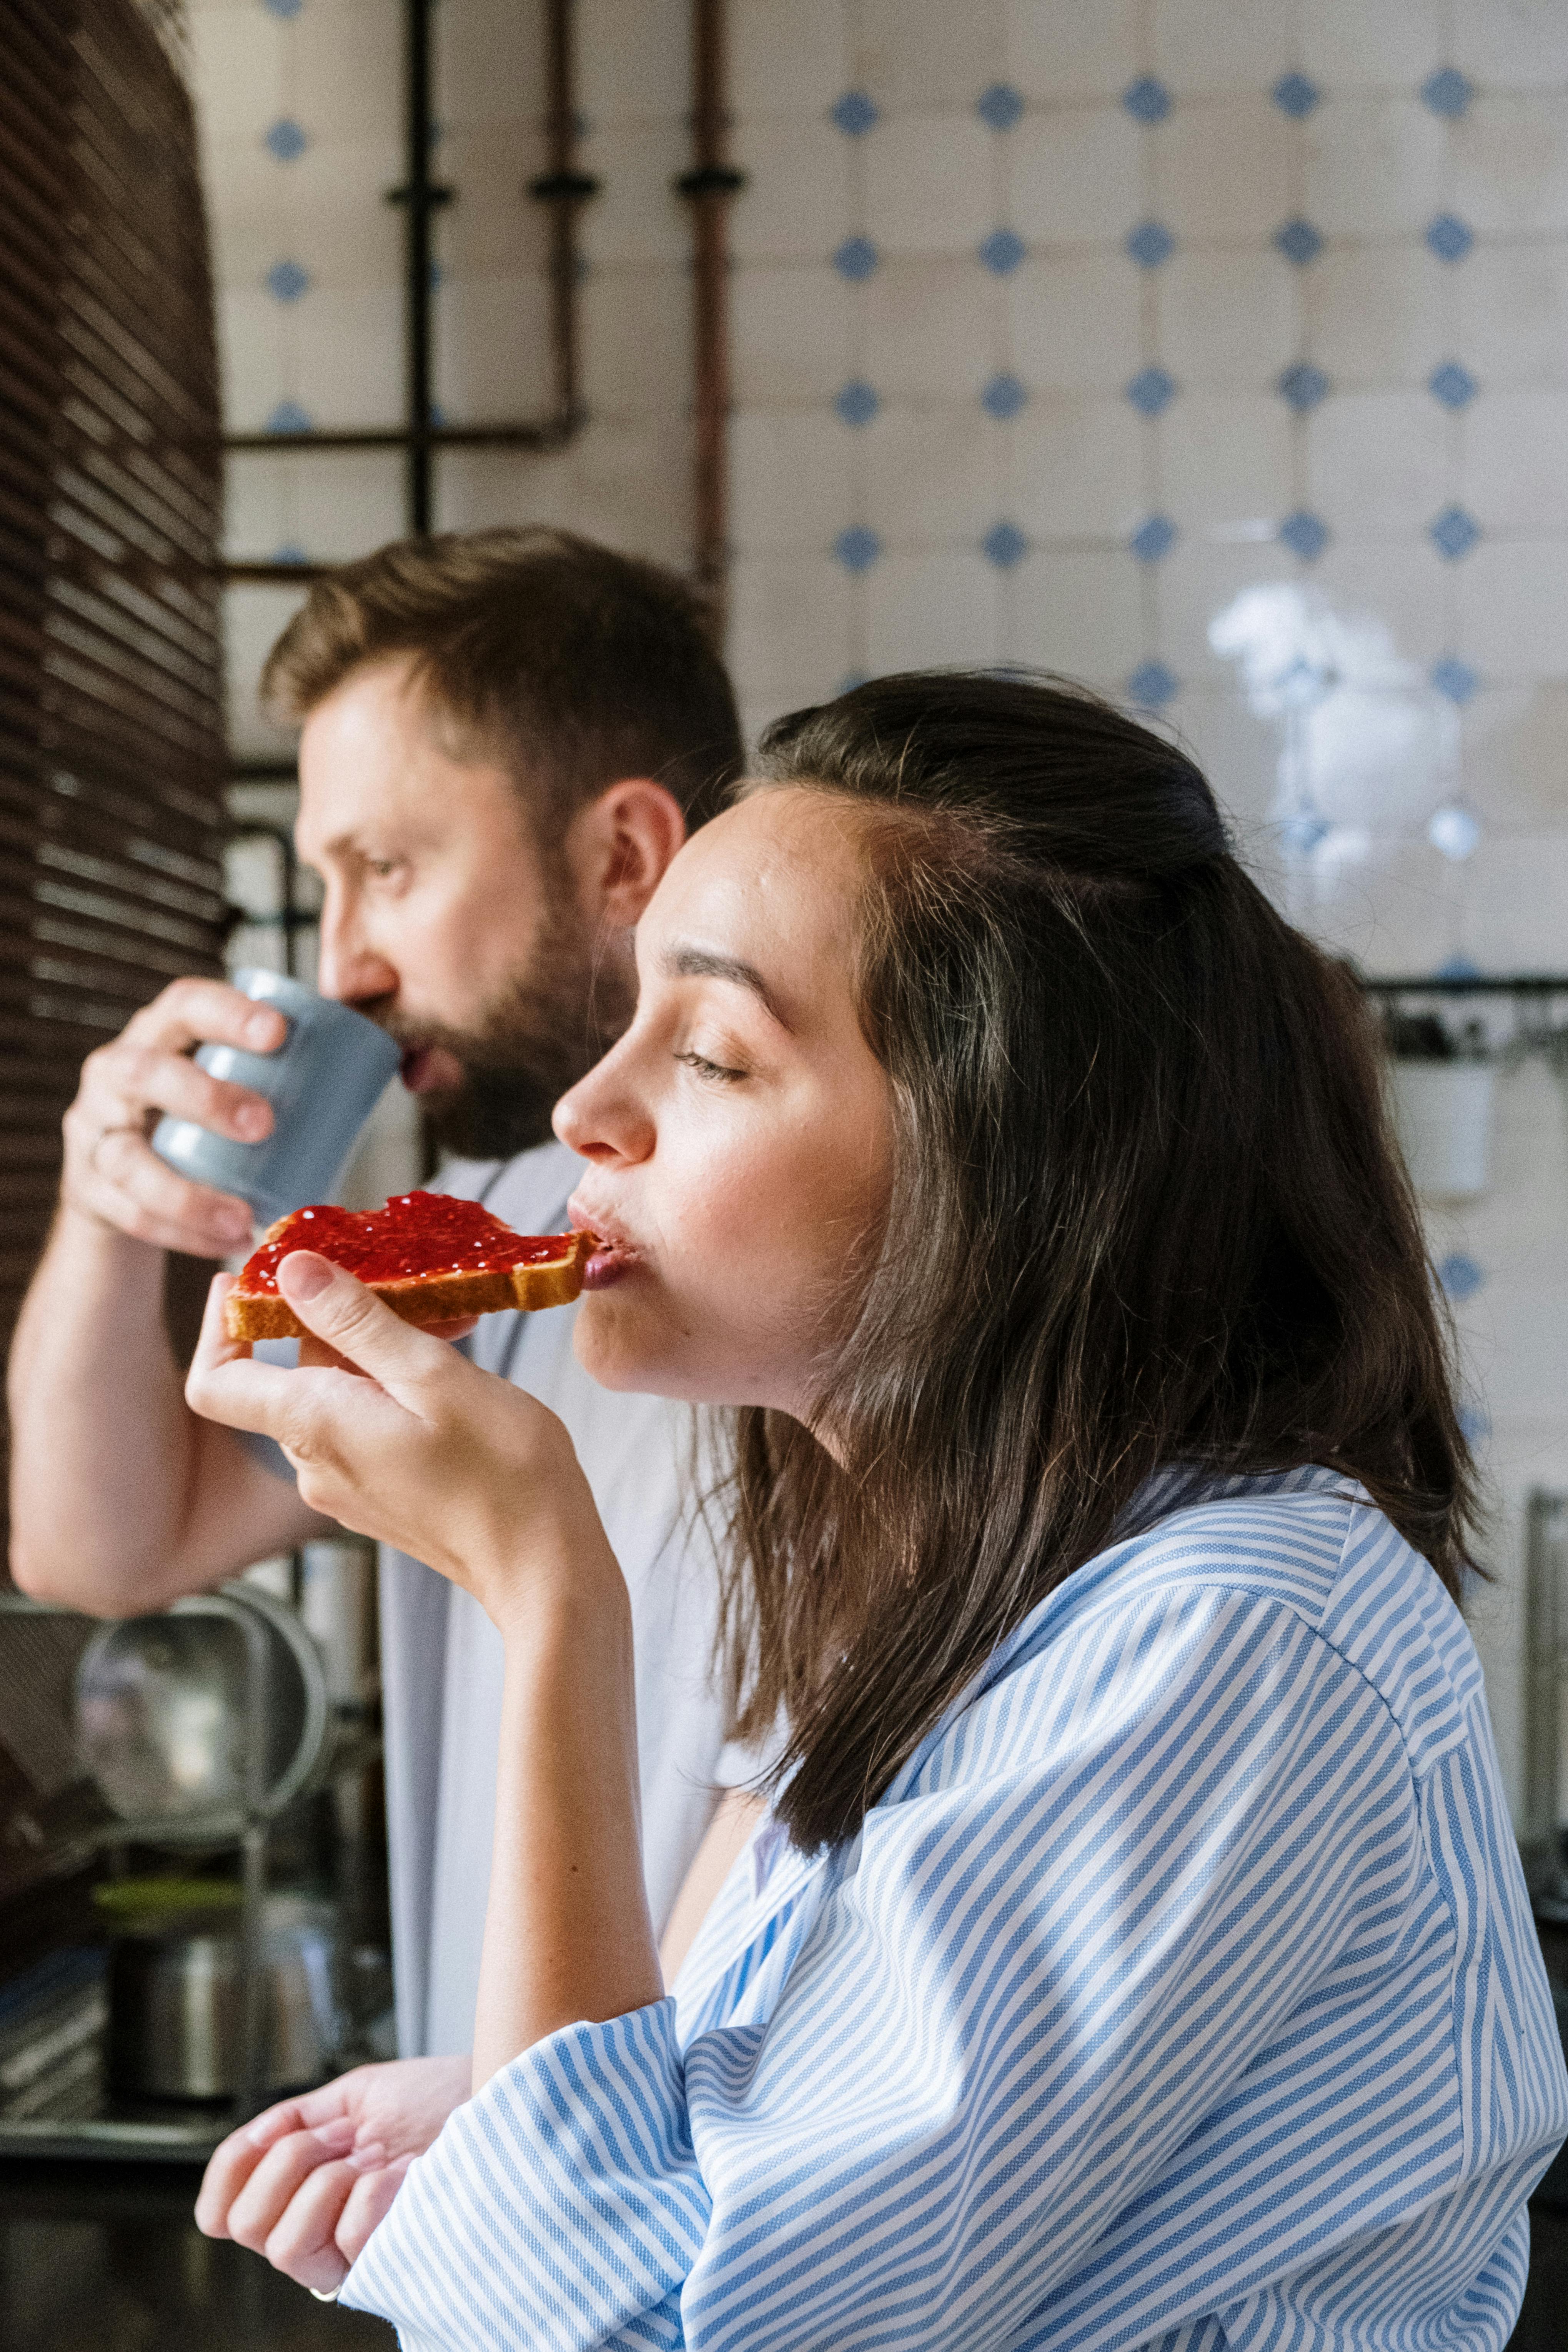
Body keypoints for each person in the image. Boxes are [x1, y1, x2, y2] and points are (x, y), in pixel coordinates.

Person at [187, 672, 1567, 2343]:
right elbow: (792, 2201)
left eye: (706, 1051)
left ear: (1013, 1160)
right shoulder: (954, 1590)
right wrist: (505, 2119)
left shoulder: (1232, 1635)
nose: (583, 1117)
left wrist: (548, 1594)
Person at [7, 526, 749, 2071]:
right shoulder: (477, 1233)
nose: (342, 963)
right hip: (499, 2194)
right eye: (324, 887)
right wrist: (109, 1208)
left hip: (687, 2201)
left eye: (387, 871)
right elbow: (104, 1547)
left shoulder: (812, 1257)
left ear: (624, 856)